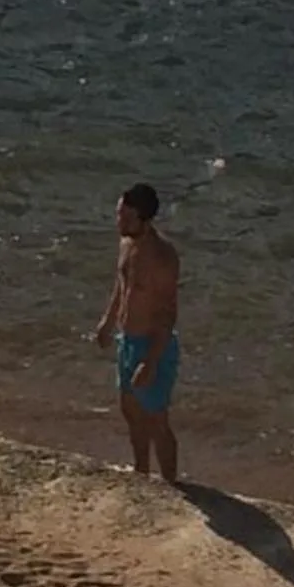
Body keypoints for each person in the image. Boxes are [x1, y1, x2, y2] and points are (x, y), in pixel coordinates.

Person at [91, 181, 180, 480]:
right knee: (130, 411)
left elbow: (168, 315)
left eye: (127, 217)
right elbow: (122, 285)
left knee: (156, 420)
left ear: (145, 219)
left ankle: (171, 483)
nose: (119, 222)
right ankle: (141, 473)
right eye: (119, 214)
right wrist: (107, 321)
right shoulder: (126, 243)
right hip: (127, 341)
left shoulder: (163, 258)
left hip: (152, 346)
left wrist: (150, 362)